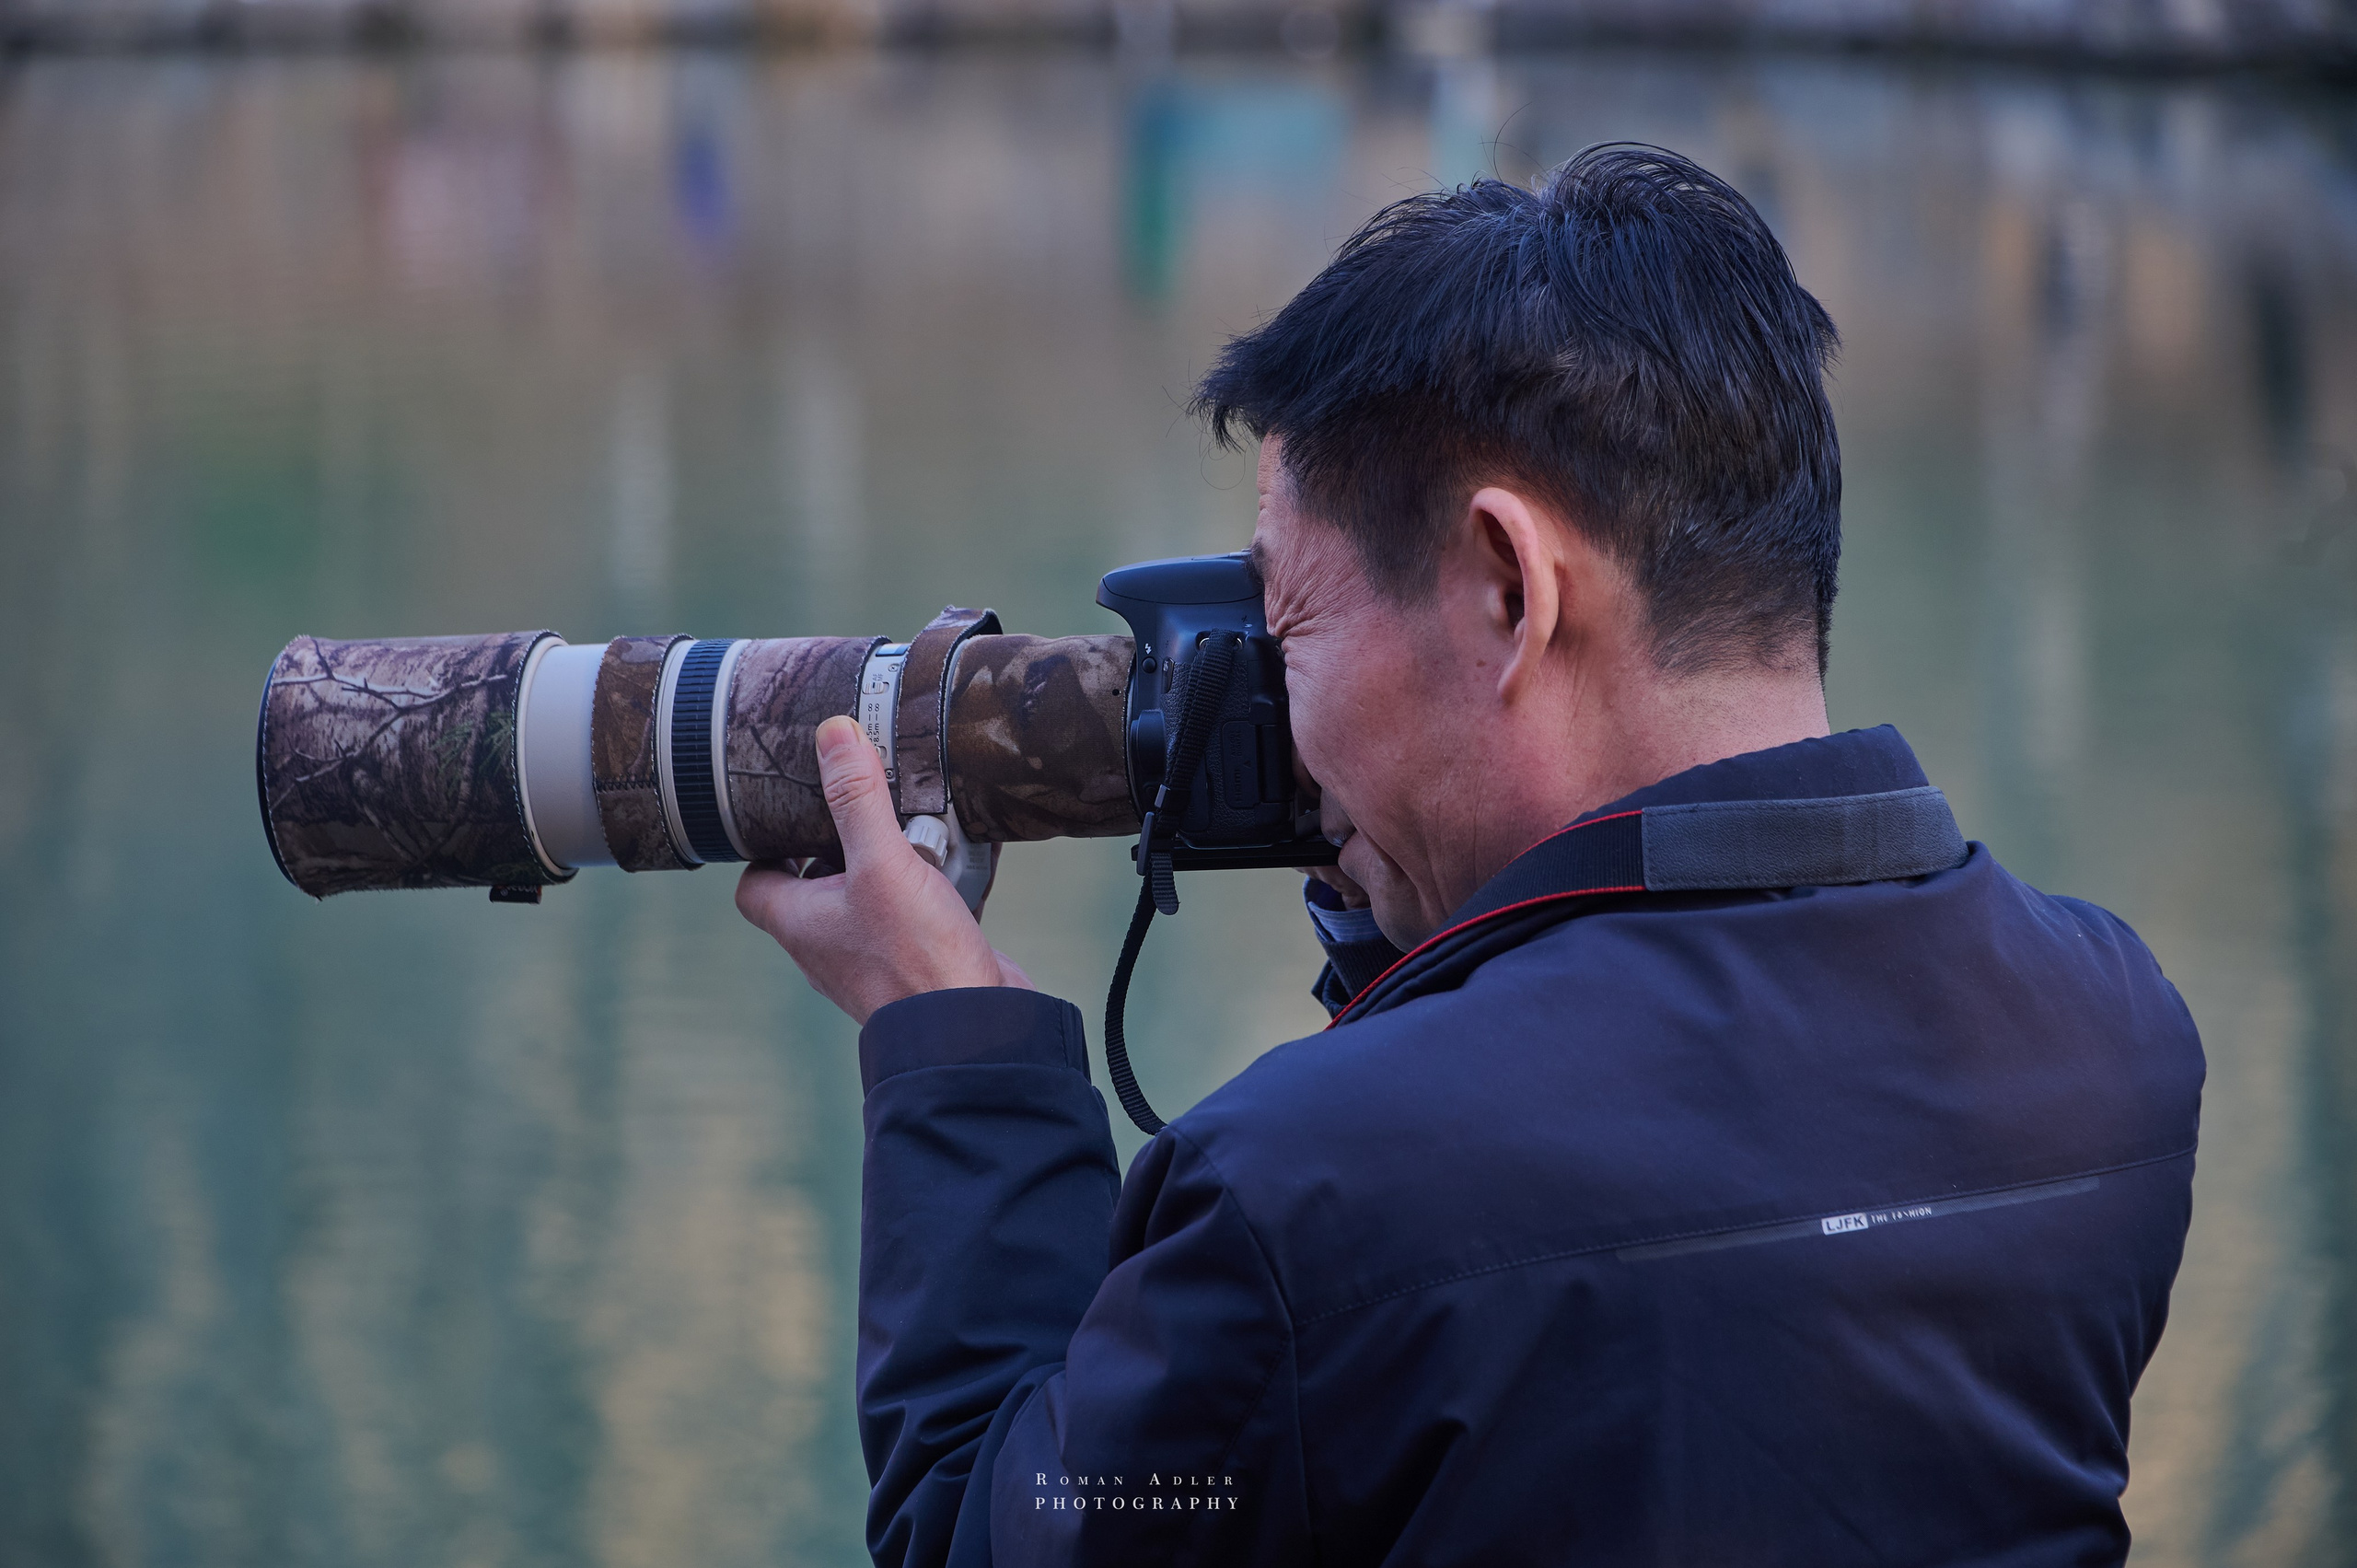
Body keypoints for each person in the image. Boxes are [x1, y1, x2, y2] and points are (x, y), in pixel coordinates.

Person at [735, 145, 2204, 1567]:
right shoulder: (2109, 1038)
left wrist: (957, 1054)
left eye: (1290, 620)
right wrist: (1406, 917)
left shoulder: (1308, 1199)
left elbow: (998, 1536)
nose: (1273, 702)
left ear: (1508, 586)